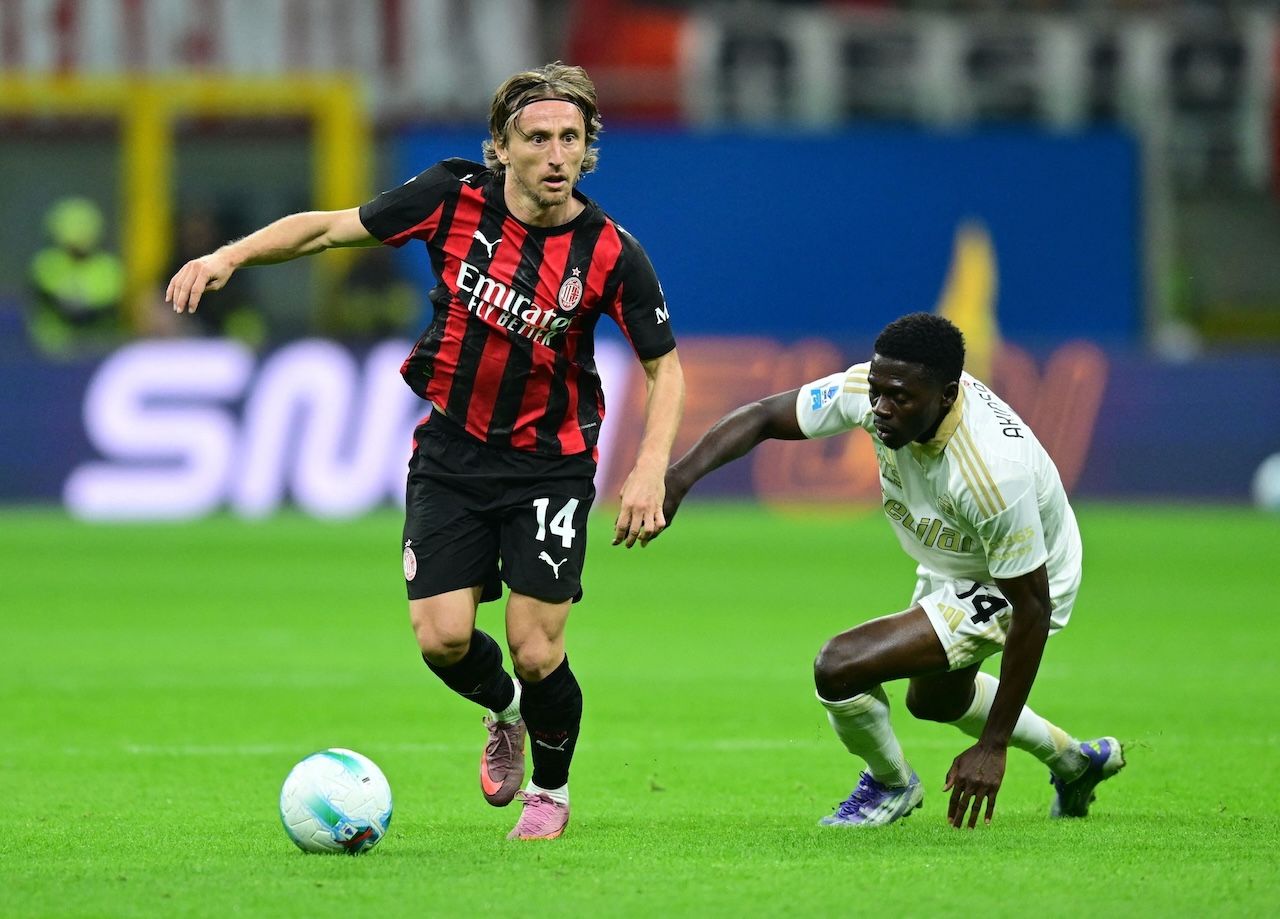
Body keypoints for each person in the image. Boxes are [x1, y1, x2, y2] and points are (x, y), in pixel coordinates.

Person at [166, 63, 685, 840]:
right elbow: (328, 227)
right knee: (442, 638)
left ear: (588, 148)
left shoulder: (610, 251)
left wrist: (648, 468)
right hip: (451, 452)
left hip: (550, 463)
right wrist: (228, 257)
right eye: (537, 138)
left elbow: (665, 367)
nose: (555, 155)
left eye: (570, 139)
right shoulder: (452, 195)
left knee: (536, 646)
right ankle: (504, 711)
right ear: (501, 147)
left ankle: (550, 790)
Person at [657, 312, 1122, 829]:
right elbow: (765, 416)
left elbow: (1032, 609)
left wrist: (992, 746)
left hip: (1023, 578)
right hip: (959, 557)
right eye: (876, 391)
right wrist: (675, 479)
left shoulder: (992, 475)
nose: (880, 408)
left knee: (840, 665)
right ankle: (1076, 762)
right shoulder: (879, 389)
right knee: (935, 701)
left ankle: (890, 785)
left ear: (946, 395)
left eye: (899, 398)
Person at [28, 197, 125, 357]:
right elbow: (46, 301)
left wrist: (79, 309)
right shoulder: (47, 263)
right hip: (51, 350)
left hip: (97, 348)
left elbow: (107, 309)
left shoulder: (107, 267)